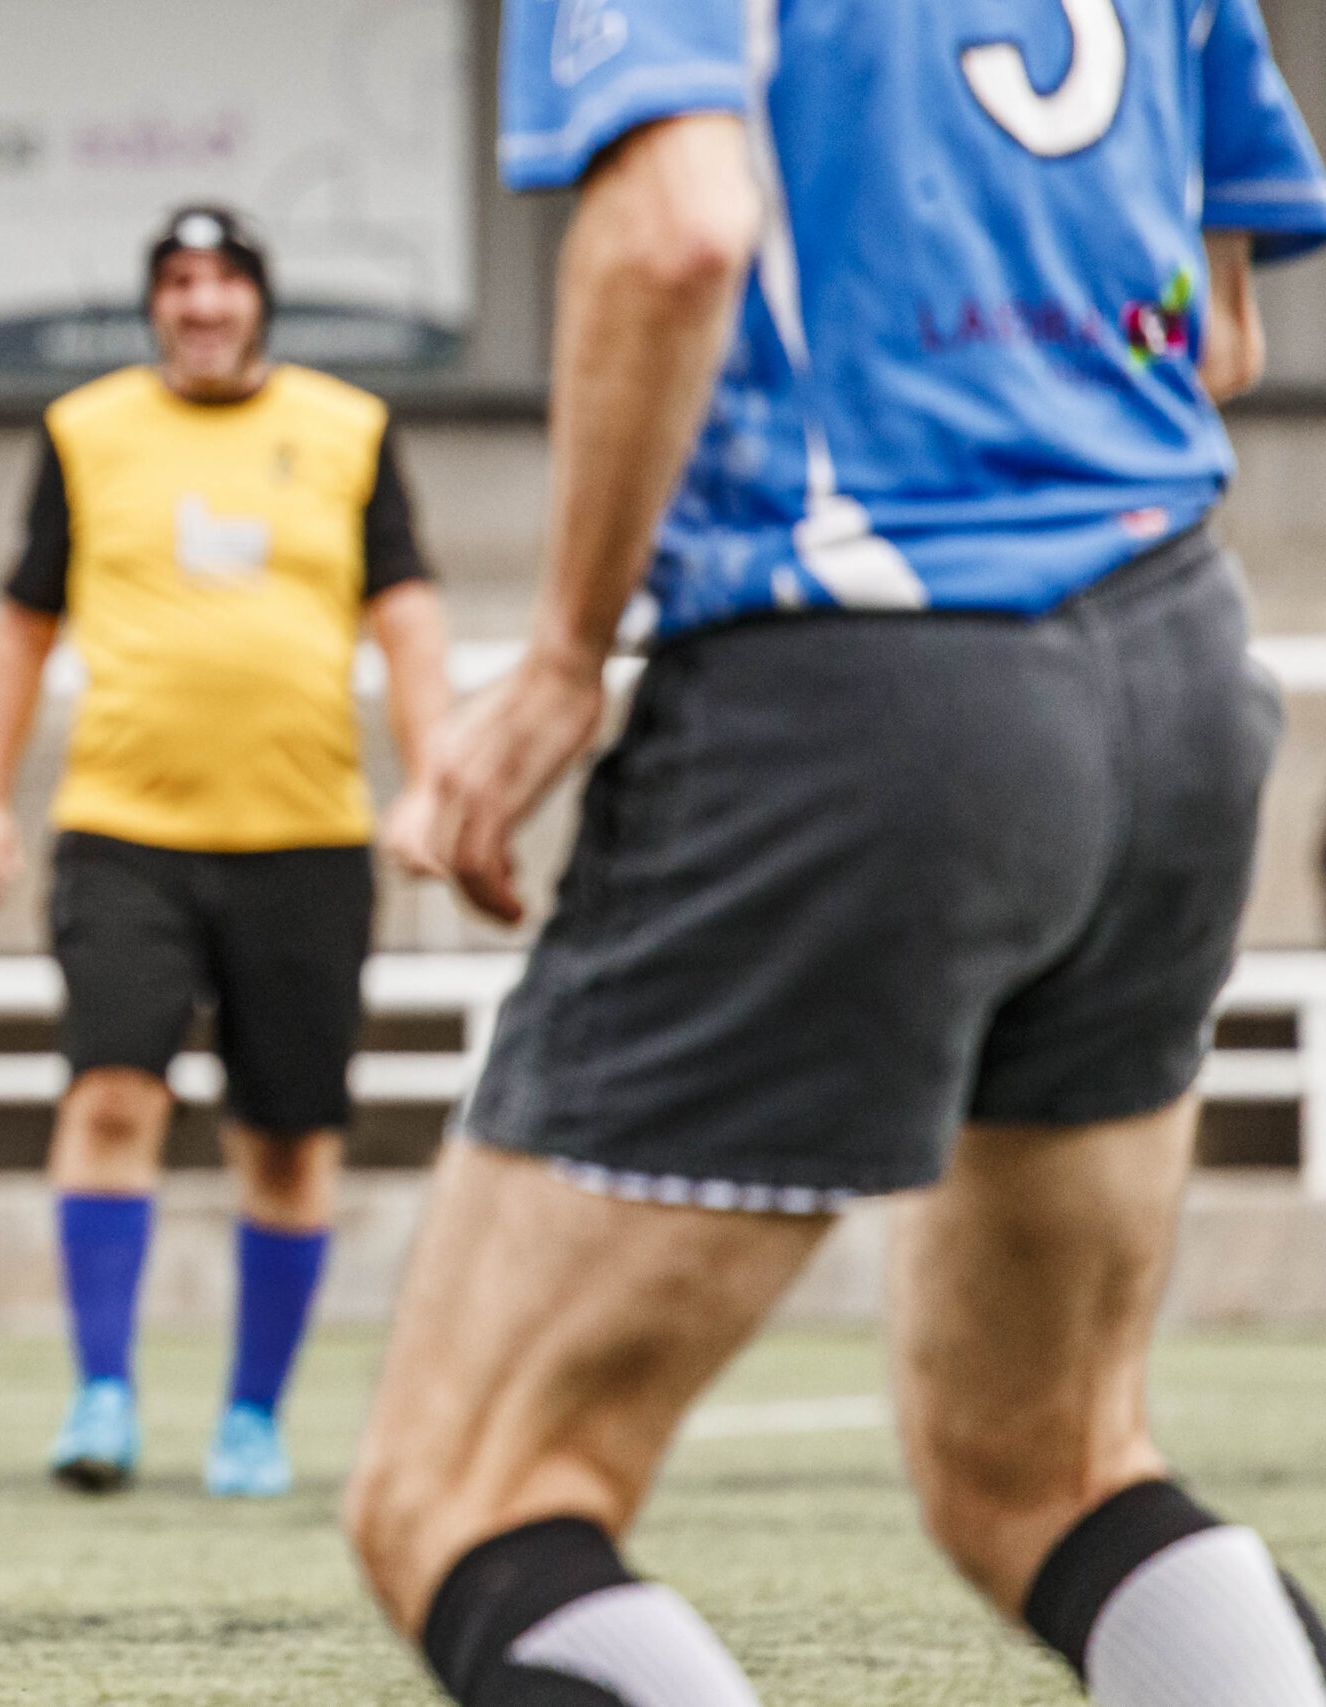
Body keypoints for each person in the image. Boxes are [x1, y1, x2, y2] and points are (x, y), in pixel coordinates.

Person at [343, 2, 1326, 1702]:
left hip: (864, 675)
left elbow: (678, 232)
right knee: (1048, 1467)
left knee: (465, 1493)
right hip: (1174, 666)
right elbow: (1215, 329)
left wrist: (566, 657)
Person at [0, 206, 452, 1499]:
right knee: (112, 1098)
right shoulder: (85, 429)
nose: (204, 303)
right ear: (155, 305)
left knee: (287, 1141)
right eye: (179, 281)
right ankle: (102, 1396)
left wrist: (435, 785)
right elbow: (21, 629)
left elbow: (406, 618)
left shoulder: (350, 428)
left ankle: (252, 1419)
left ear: (260, 301)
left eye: (226, 280)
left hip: (309, 842)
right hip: (128, 836)